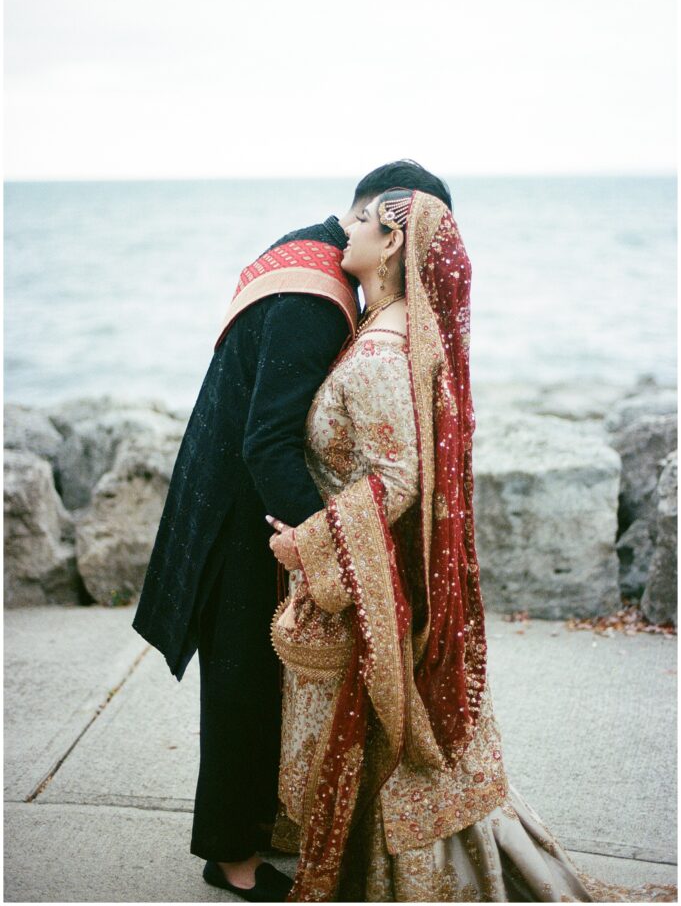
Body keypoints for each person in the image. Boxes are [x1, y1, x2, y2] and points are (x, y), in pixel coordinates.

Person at [268, 189, 678, 902]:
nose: (347, 225)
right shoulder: (396, 331)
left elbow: (396, 478)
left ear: (392, 243)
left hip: (367, 575)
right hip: (380, 572)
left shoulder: (379, 355)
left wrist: (311, 543)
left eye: (362, 219)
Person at [130, 162, 453, 901]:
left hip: (219, 493)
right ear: (383, 223)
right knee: (242, 685)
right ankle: (231, 857)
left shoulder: (301, 248)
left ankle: (253, 828)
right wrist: (329, 545)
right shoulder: (317, 298)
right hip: (239, 515)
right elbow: (268, 441)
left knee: (249, 680)